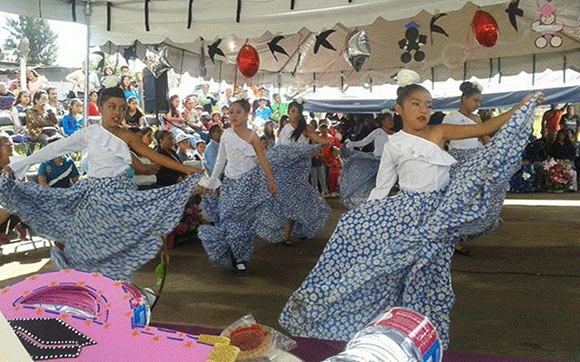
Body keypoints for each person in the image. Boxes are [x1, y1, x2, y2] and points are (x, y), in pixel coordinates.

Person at [279, 69, 544, 349]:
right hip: (405, 218)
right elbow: (382, 188)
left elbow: (486, 129)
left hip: (438, 217)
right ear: (399, 108)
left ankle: (425, 340)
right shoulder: (394, 145)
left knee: (431, 282)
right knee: (384, 273)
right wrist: (364, 219)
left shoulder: (439, 132)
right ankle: (385, 336)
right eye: (416, 103)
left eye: (428, 104)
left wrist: (522, 105)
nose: (424, 109)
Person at [0, 87, 201, 282]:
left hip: (119, 196)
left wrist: (185, 170)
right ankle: (91, 281)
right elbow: (56, 148)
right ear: (100, 107)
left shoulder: (128, 135)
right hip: (92, 194)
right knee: (79, 239)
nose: (117, 113)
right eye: (111, 107)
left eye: (122, 108)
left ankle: (113, 286)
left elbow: (152, 155)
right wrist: (20, 164)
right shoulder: (91, 133)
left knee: (110, 248)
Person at [198, 100, 277, 275]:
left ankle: (241, 258)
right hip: (229, 184)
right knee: (227, 218)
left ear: (247, 114)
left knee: (245, 224)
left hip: (249, 185)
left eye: (238, 112)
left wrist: (271, 180)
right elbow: (220, 161)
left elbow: (262, 158)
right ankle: (234, 253)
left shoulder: (253, 136)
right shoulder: (226, 135)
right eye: (231, 112)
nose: (233, 115)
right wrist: (211, 182)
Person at [275, 101, 331, 246]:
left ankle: (295, 232)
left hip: (300, 170)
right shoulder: (284, 129)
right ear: (288, 112)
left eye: (297, 111)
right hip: (286, 169)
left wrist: (325, 141)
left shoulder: (305, 129)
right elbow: (278, 149)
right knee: (289, 202)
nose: (295, 114)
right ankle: (287, 234)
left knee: (298, 200)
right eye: (292, 111)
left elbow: (316, 138)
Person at [441, 81, 488, 255]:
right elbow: (441, 142)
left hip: (475, 163)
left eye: (479, 102)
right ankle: (454, 241)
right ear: (464, 99)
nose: (478, 105)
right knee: (457, 203)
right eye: (476, 101)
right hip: (457, 164)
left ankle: (461, 237)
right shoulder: (451, 118)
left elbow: (485, 139)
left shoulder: (477, 119)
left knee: (474, 201)